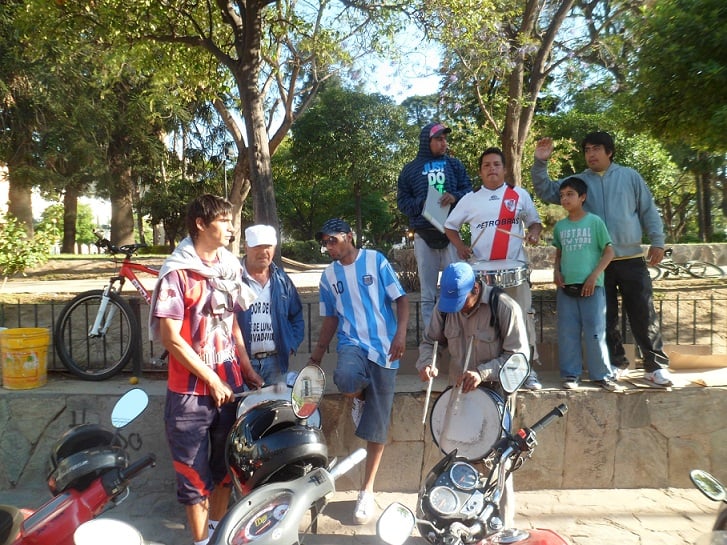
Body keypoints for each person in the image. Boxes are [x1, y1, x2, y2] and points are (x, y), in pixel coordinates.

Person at [149, 194, 263, 545]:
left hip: (230, 389)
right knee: (194, 480)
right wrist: (211, 379)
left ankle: (215, 535)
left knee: (225, 472)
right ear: (201, 224)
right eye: (224, 221)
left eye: (231, 220)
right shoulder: (177, 274)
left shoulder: (230, 268)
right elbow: (170, 338)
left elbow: (231, 324)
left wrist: (246, 367)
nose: (231, 228)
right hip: (189, 397)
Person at [532, 132, 673, 386]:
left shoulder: (630, 176)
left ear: (609, 151)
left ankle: (655, 366)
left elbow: (648, 210)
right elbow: (547, 190)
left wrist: (658, 241)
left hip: (631, 257)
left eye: (596, 148)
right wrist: (541, 162)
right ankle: (616, 363)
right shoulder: (579, 182)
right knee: (606, 318)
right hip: (598, 264)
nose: (591, 154)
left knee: (643, 313)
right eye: (587, 150)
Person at [306, 218, 409, 525]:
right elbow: (330, 318)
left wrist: (401, 335)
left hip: (385, 349)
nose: (329, 247)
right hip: (352, 343)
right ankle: (360, 398)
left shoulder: (376, 260)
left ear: (349, 236)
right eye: (325, 243)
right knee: (346, 378)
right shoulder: (328, 276)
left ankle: (366, 490)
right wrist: (316, 355)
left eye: (333, 240)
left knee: (377, 426)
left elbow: (401, 300)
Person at [416, 261, 529, 528]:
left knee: (499, 463)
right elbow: (430, 341)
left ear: (476, 288)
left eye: (462, 302)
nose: (456, 309)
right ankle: (458, 520)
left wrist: (483, 373)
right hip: (460, 396)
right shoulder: (445, 308)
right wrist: (427, 363)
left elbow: (519, 359)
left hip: (496, 395)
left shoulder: (504, 307)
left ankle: (502, 525)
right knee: (457, 457)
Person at [444, 147, 543, 390]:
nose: (492, 169)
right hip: (482, 275)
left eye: (496, 164)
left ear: (505, 169)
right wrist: (461, 247)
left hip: (514, 270)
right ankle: (489, 372)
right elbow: (450, 226)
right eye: (486, 165)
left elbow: (535, 222)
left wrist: (533, 233)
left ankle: (526, 370)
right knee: (487, 324)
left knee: (523, 318)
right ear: (480, 171)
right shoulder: (470, 199)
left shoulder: (519, 194)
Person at [397, 122, 472, 330]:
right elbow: (402, 202)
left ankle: (457, 331)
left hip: (451, 234)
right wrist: (421, 203)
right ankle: (432, 335)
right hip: (424, 234)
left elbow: (469, 190)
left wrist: (454, 196)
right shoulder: (410, 170)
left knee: (457, 285)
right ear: (426, 141)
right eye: (438, 139)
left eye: (445, 139)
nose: (444, 143)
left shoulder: (454, 165)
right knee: (428, 292)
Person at [552, 177, 621, 391]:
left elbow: (609, 251)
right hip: (566, 288)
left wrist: (594, 276)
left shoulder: (594, 222)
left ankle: (601, 374)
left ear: (582, 197)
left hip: (592, 288)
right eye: (562, 195)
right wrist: (556, 271)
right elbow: (559, 253)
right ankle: (571, 374)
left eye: (570, 194)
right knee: (568, 332)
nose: (565, 199)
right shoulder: (560, 227)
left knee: (595, 332)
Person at [237, 224, 304, 386]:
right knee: (243, 402)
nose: (263, 252)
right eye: (257, 246)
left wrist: (290, 345)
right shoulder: (233, 278)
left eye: (268, 246)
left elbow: (296, 316)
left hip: (275, 364)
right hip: (240, 364)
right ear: (246, 247)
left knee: (275, 402)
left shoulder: (282, 280)